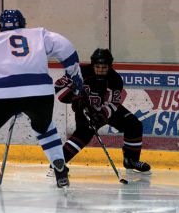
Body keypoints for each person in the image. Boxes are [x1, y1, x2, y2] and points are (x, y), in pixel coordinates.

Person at [0, 9, 83, 196]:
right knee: (45, 128)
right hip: (40, 92)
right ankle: (60, 169)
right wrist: (74, 75)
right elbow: (65, 47)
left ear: (0, 26)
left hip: (3, 91)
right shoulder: (40, 33)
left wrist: (7, 105)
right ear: (23, 23)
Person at [53, 48, 151, 176]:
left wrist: (102, 115)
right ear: (92, 64)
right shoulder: (80, 72)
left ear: (110, 66)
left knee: (133, 124)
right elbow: (58, 89)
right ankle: (56, 166)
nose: (100, 70)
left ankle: (131, 160)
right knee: (83, 135)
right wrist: (75, 100)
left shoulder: (115, 79)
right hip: (86, 110)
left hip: (105, 109)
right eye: (97, 66)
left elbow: (113, 103)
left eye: (104, 67)